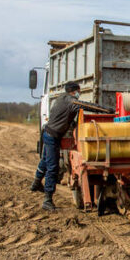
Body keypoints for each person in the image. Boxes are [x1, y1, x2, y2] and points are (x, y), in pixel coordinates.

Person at [30, 82, 107, 211]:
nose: (79, 94)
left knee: (44, 160)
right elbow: (88, 106)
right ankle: (47, 200)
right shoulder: (72, 102)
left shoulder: (61, 98)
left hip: (48, 133)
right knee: (52, 167)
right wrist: (106, 110)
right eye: (79, 91)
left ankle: (36, 184)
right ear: (74, 92)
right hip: (52, 137)